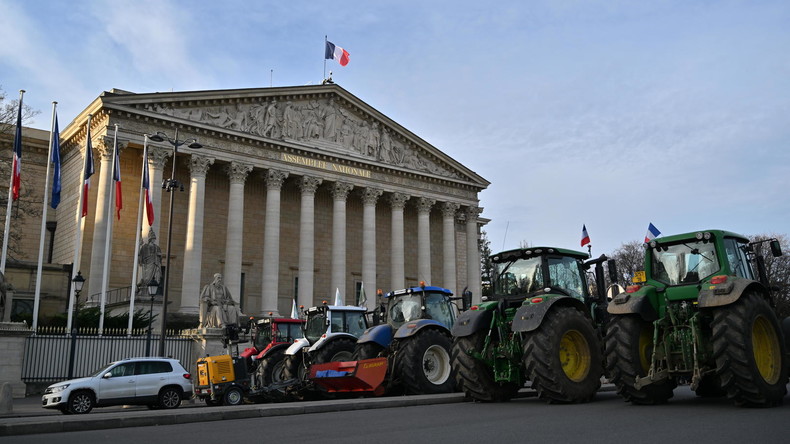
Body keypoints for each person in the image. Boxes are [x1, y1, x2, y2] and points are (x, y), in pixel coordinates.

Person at [137, 229, 162, 294]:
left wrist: (159, 255)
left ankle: (152, 288)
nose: (154, 240)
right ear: (150, 239)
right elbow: (140, 254)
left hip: (155, 262)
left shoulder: (157, 247)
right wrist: (139, 246)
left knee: (155, 274)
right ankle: (144, 285)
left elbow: (160, 255)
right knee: (146, 276)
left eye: (154, 239)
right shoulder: (145, 246)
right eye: (153, 239)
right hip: (147, 263)